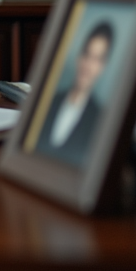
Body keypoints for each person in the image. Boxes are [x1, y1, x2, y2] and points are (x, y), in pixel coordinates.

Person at [35, 20, 113, 166]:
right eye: (87, 54)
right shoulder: (49, 102)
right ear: (79, 57)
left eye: (97, 59)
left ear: (103, 67)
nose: (88, 65)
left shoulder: (100, 119)